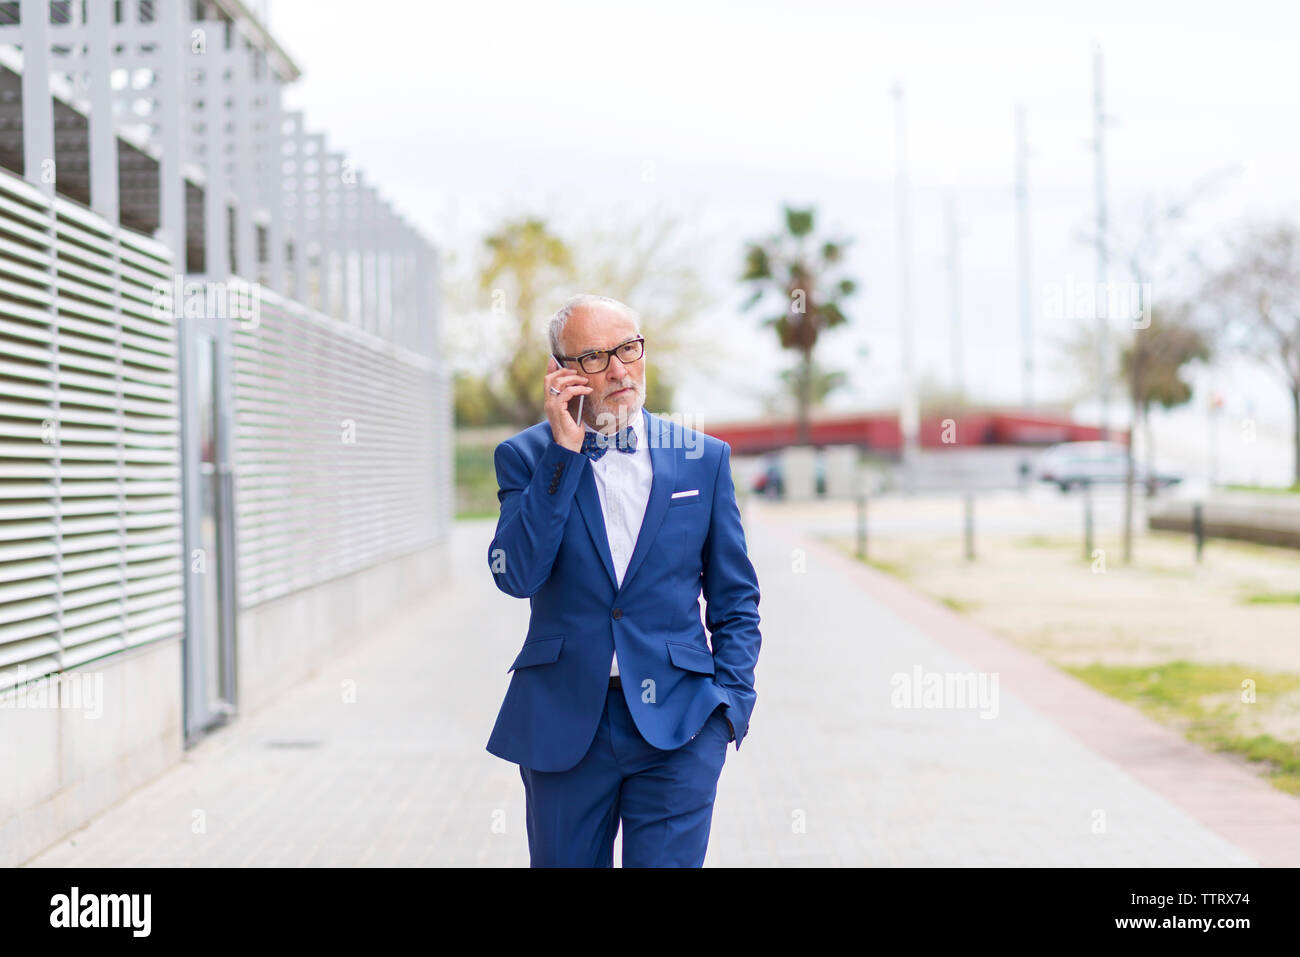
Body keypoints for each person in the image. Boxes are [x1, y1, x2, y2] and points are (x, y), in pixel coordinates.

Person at [484, 293, 762, 867]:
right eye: (593, 356)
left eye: (628, 349)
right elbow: (517, 574)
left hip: (681, 727)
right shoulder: (525, 456)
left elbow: (735, 597)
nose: (618, 369)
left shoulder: (701, 458)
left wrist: (730, 707)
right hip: (564, 725)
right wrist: (564, 453)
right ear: (561, 373)